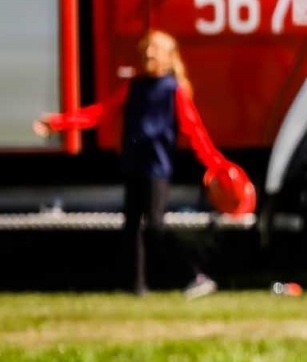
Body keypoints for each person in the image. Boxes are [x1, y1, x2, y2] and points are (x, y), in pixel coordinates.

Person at [33, 30, 223, 299]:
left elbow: (195, 132)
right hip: (134, 164)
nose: (148, 53)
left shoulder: (174, 91)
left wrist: (216, 165)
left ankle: (194, 276)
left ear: (169, 58)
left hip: (157, 168)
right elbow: (99, 112)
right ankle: (136, 287)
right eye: (146, 48)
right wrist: (59, 123)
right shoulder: (134, 87)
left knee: (156, 226)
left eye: (155, 49)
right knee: (132, 226)